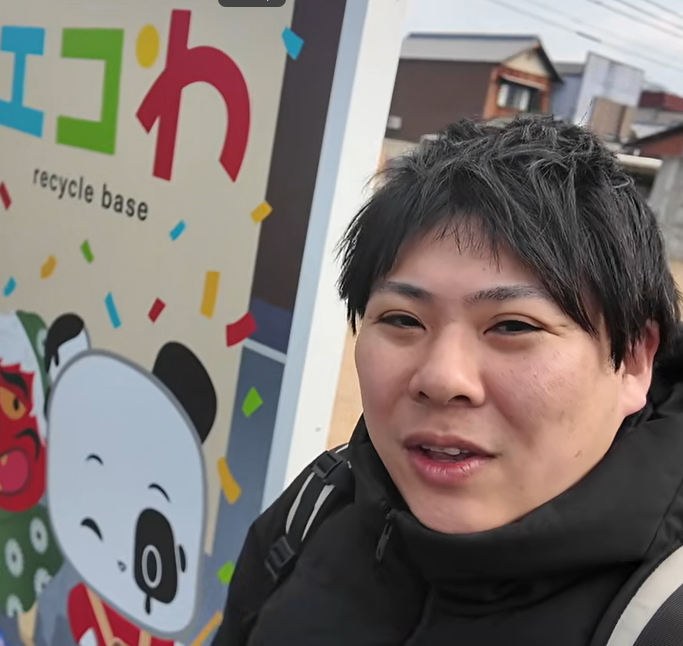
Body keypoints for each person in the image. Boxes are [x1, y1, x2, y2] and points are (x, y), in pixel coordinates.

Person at [212, 115, 683, 646]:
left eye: (513, 326)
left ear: (634, 360)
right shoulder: (317, 506)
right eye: (402, 319)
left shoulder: (662, 615)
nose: (441, 378)